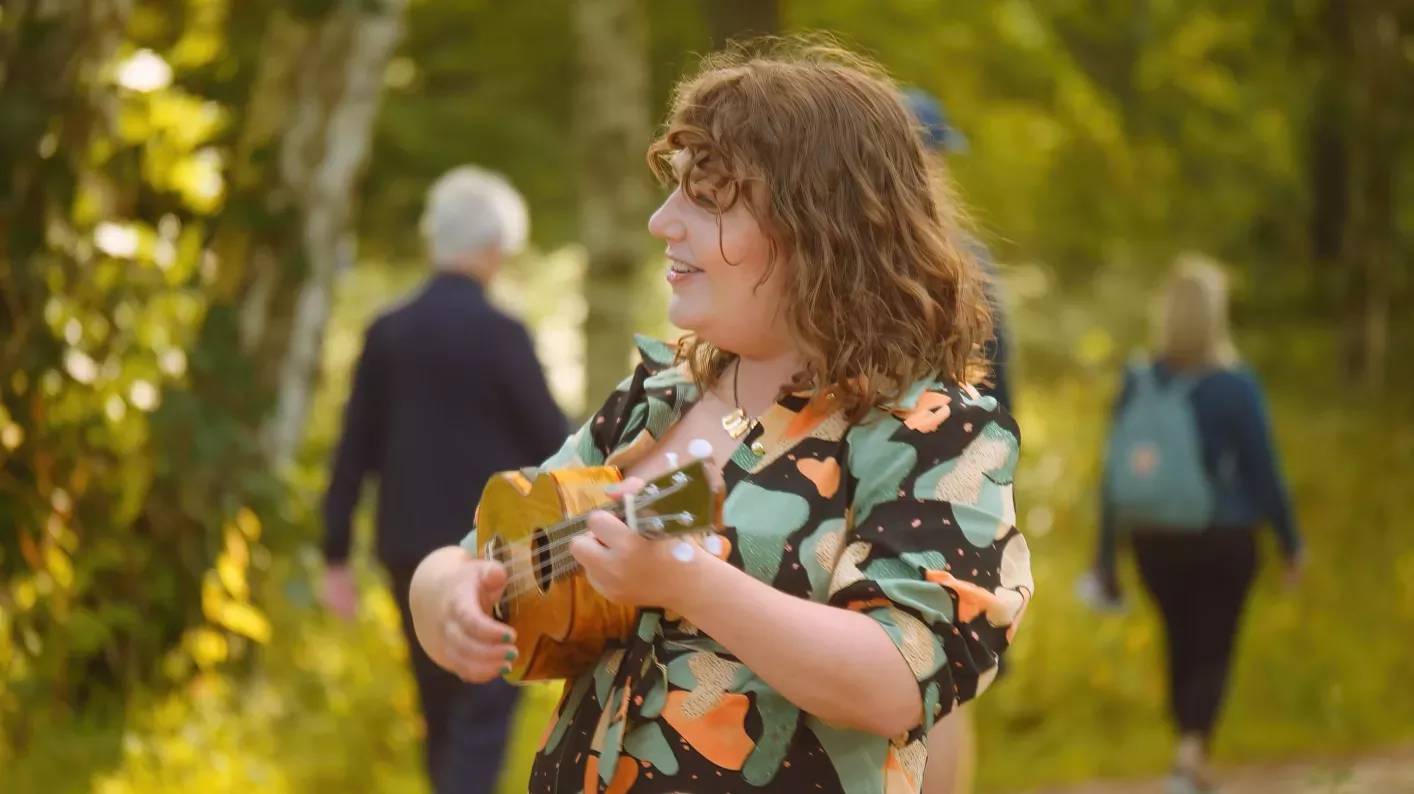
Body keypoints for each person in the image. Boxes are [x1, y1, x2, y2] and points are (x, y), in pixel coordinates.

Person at [408, 38, 1034, 794]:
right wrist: (445, 599)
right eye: (674, 189)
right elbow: (474, 553)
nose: (662, 222)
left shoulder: (930, 432)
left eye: (706, 198)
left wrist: (689, 582)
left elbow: (899, 680)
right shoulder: (654, 398)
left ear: (818, 226)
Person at [320, 165, 569, 794]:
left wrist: (334, 555)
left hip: (406, 547)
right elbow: (556, 444)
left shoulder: (387, 331)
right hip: (491, 552)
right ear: (492, 250)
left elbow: (354, 450)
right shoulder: (504, 335)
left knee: (439, 701)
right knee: (484, 703)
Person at [1092, 255, 1303, 794]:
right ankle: (1189, 754)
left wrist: (1105, 557)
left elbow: (1113, 475)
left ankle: (1189, 751)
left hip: (1153, 539)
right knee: (1213, 645)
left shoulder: (1138, 381)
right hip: (1222, 537)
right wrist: (1289, 542)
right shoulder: (1233, 385)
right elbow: (1263, 472)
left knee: (1180, 642)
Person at [901, 86, 1011, 794]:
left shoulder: (829, 257)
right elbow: (999, 391)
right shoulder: (962, 262)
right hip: (952, 480)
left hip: (849, 479)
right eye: (936, 152)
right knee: (939, 685)